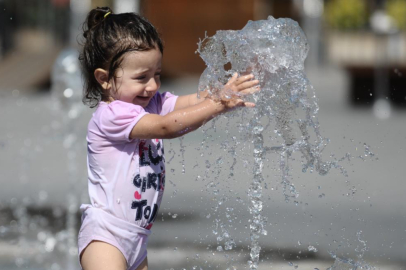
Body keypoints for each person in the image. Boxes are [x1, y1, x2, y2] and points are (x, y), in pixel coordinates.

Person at [77, 7, 260, 270]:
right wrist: (217, 105)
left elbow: (192, 103)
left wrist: (224, 93)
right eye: (141, 78)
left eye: (157, 74)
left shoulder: (150, 102)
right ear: (104, 79)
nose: (152, 86)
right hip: (106, 237)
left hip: (137, 238)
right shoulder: (111, 115)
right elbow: (166, 127)